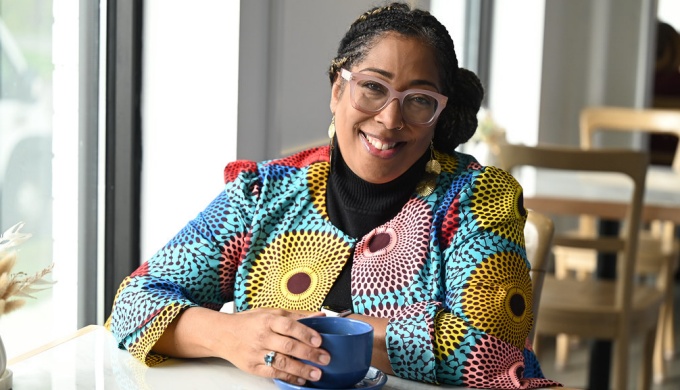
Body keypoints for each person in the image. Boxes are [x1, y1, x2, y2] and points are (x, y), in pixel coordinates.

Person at [107, 3, 561, 389]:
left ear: (439, 114)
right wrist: (229, 335)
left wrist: (316, 331)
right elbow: (133, 303)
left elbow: (492, 354)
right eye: (372, 87)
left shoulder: (478, 199)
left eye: (418, 99)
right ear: (338, 89)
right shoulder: (264, 193)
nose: (389, 119)